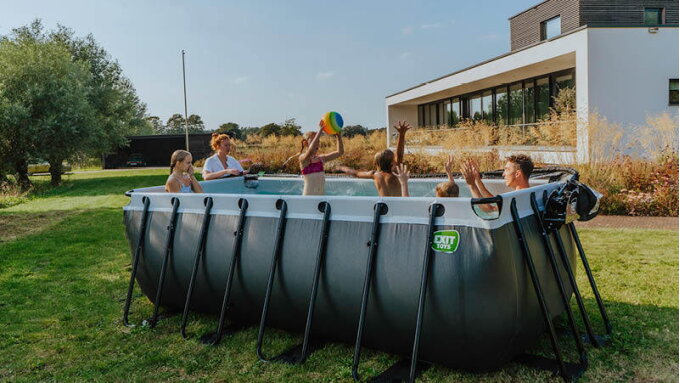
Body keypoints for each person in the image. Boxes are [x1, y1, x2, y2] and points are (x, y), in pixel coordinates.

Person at [336, 121, 410, 197]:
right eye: (394, 159)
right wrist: (402, 134)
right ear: (391, 163)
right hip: (397, 206)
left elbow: (356, 173)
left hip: (383, 206)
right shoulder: (395, 174)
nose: (396, 159)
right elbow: (400, 155)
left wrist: (341, 167)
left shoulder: (374, 175)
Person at [298, 124, 344, 195]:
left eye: (318, 140)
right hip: (308, 198)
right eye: (314, 140)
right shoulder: (303, 158)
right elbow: (311, 150)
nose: (317, 143)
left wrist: (338, 136)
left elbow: (340, 152)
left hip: (321, 198)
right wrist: (320, 130)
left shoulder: (321, 158)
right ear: (305, 143)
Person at [461, 154, 534, 198]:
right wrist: (477, 180)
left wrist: (471, 185)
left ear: (517, 174)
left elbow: (489, 209)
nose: (503, 174)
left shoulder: (518, 196)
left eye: (507, 169)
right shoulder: (528, 194)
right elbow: (494, 203)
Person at [393, 156, 459, 198]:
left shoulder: (433, 207)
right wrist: (449, 173)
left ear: (438, 196)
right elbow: (452, 190)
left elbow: (407, 204)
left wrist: (403, 183)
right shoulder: (459, 207)